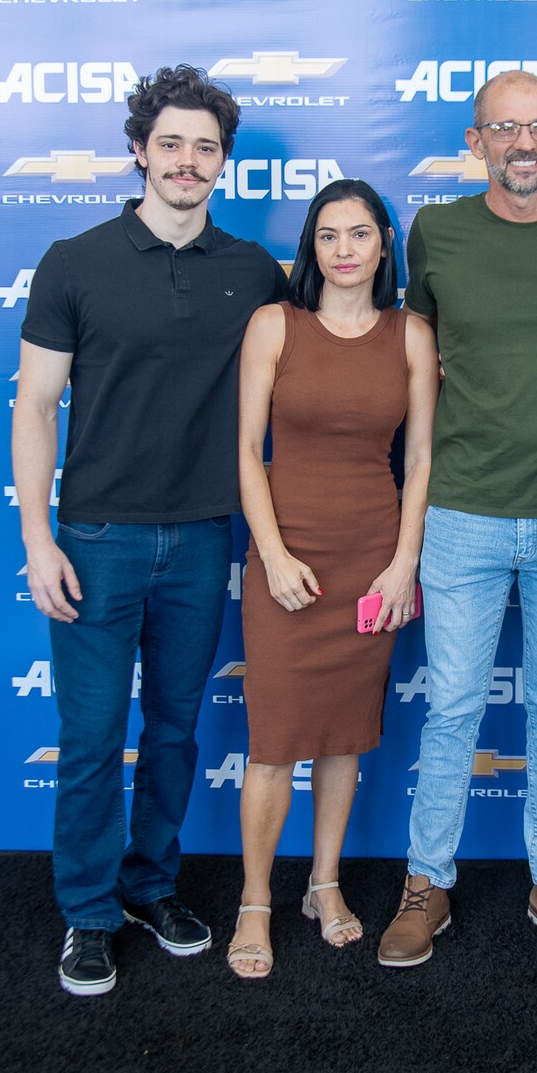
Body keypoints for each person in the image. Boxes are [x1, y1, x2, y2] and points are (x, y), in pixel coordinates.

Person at [12, 65, 289, 996]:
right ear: (139, 150)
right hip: (96, 541)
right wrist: (37, 539)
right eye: (170, 143)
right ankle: (89, 914)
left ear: (223, 162)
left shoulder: (253, 272)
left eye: (205, 147)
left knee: (174, 732)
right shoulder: (74, 261)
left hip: (204, 539)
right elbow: (35, 406)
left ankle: (150, 886)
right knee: (92, 738)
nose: (186, 161)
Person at [377, 70, 537, 968]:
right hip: (462, 513)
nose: (523, 144)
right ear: (476, 139)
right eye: (504, 128)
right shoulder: (437, 230)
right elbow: (415, 355)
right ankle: (426, 885)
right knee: (451, 710)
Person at [225, 181, 438, 978]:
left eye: (359, 234)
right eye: (328, 235)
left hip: (370, 562)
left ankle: (324, 884)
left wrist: (403, 563)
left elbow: (420, 459)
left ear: (384, 244)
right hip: (288, 560)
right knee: (274, 744)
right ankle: (254, 901)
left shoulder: (411, 335)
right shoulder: (274, 325)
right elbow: (247, 451)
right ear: (310, 248)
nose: (344, 250)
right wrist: (273, 554)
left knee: (345, 737)